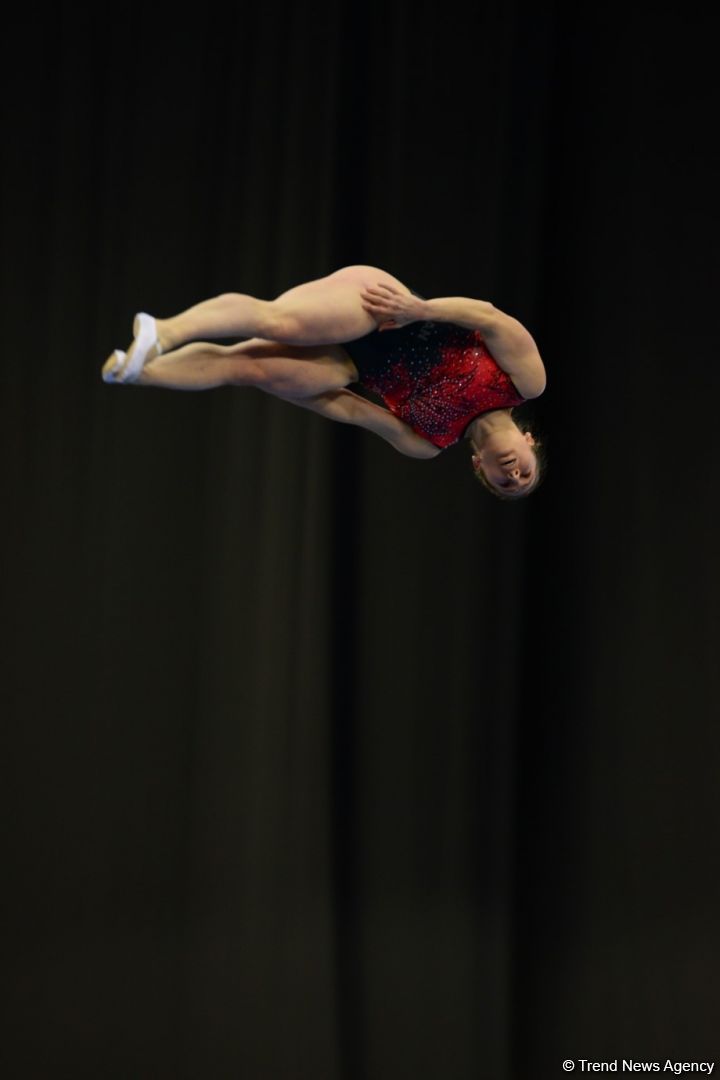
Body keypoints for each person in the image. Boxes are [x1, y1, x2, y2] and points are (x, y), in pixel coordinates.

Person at [102, 264, 546, 497]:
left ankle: (138, 370)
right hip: (385, 310)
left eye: (506, 482)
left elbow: (351, 408)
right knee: (283, 323)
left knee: (249, 368)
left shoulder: (428, 442)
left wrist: (301, 392)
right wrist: (419, 309)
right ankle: (165, 332)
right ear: (529, 442)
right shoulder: (524, 383)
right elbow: (488, 316)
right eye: (526, 473)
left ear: (479, 468)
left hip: (351, 365)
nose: (514, 474)